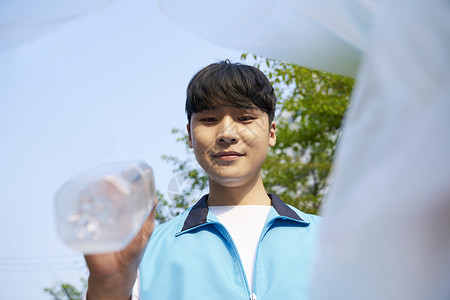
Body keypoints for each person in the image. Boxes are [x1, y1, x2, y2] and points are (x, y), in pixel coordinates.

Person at [84, 60, 321, 300]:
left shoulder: (330, 239)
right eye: (209, 119)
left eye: (245, 118)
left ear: (271, 132)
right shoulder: (143, 253)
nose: (227, 134)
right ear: (190, 134)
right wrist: (107, 285)